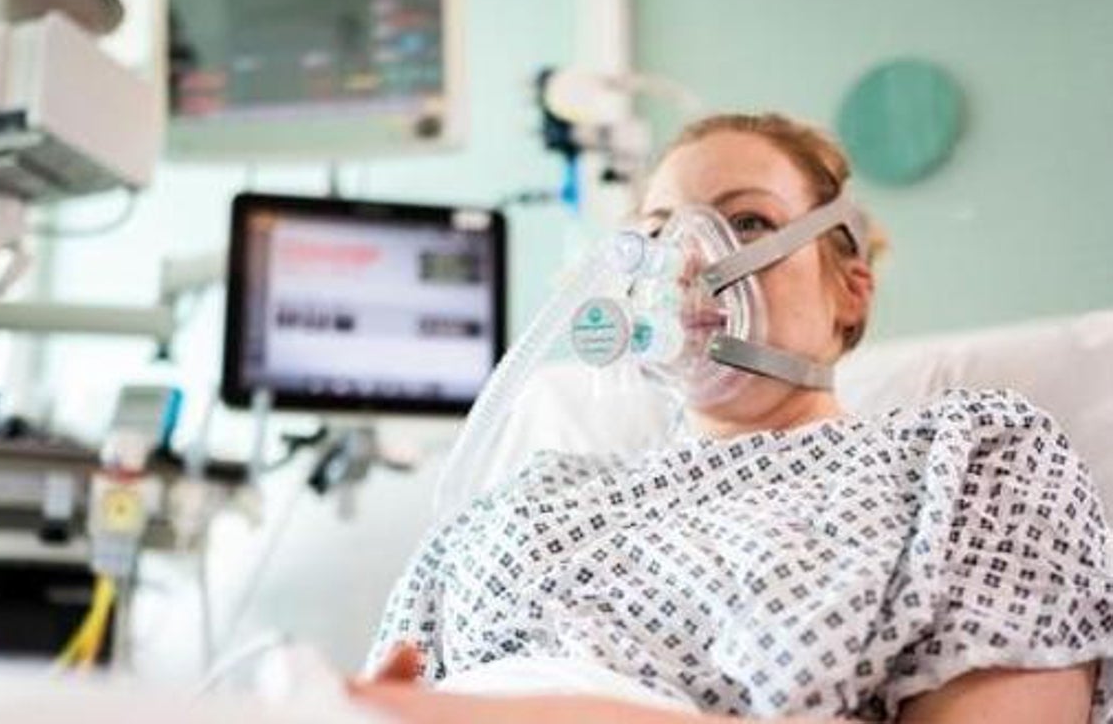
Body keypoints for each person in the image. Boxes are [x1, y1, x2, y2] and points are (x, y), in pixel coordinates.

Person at [352, 113, 1113, 723]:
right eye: (658, 232)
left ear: (850, 291)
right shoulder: (519, 499)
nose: (687, 260)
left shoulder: (967, 462)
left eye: (746, 222)